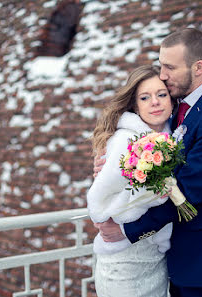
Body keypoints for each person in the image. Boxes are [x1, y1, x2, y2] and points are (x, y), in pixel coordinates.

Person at [93, 28, 202, 297]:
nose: (162, 75)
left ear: (198, 67)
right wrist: (115, 169)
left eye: (169, 67)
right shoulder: (178, 110)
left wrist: (128, 231)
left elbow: (188, 192)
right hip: (174, 261)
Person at [87, 65, 176, 297]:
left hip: (154, 259)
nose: (155, 102)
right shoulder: (126, 140)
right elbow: (102, 198)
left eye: (161, 94)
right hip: (125, 262)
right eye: (145, 97)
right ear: (135, 105)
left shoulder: (170, 138)